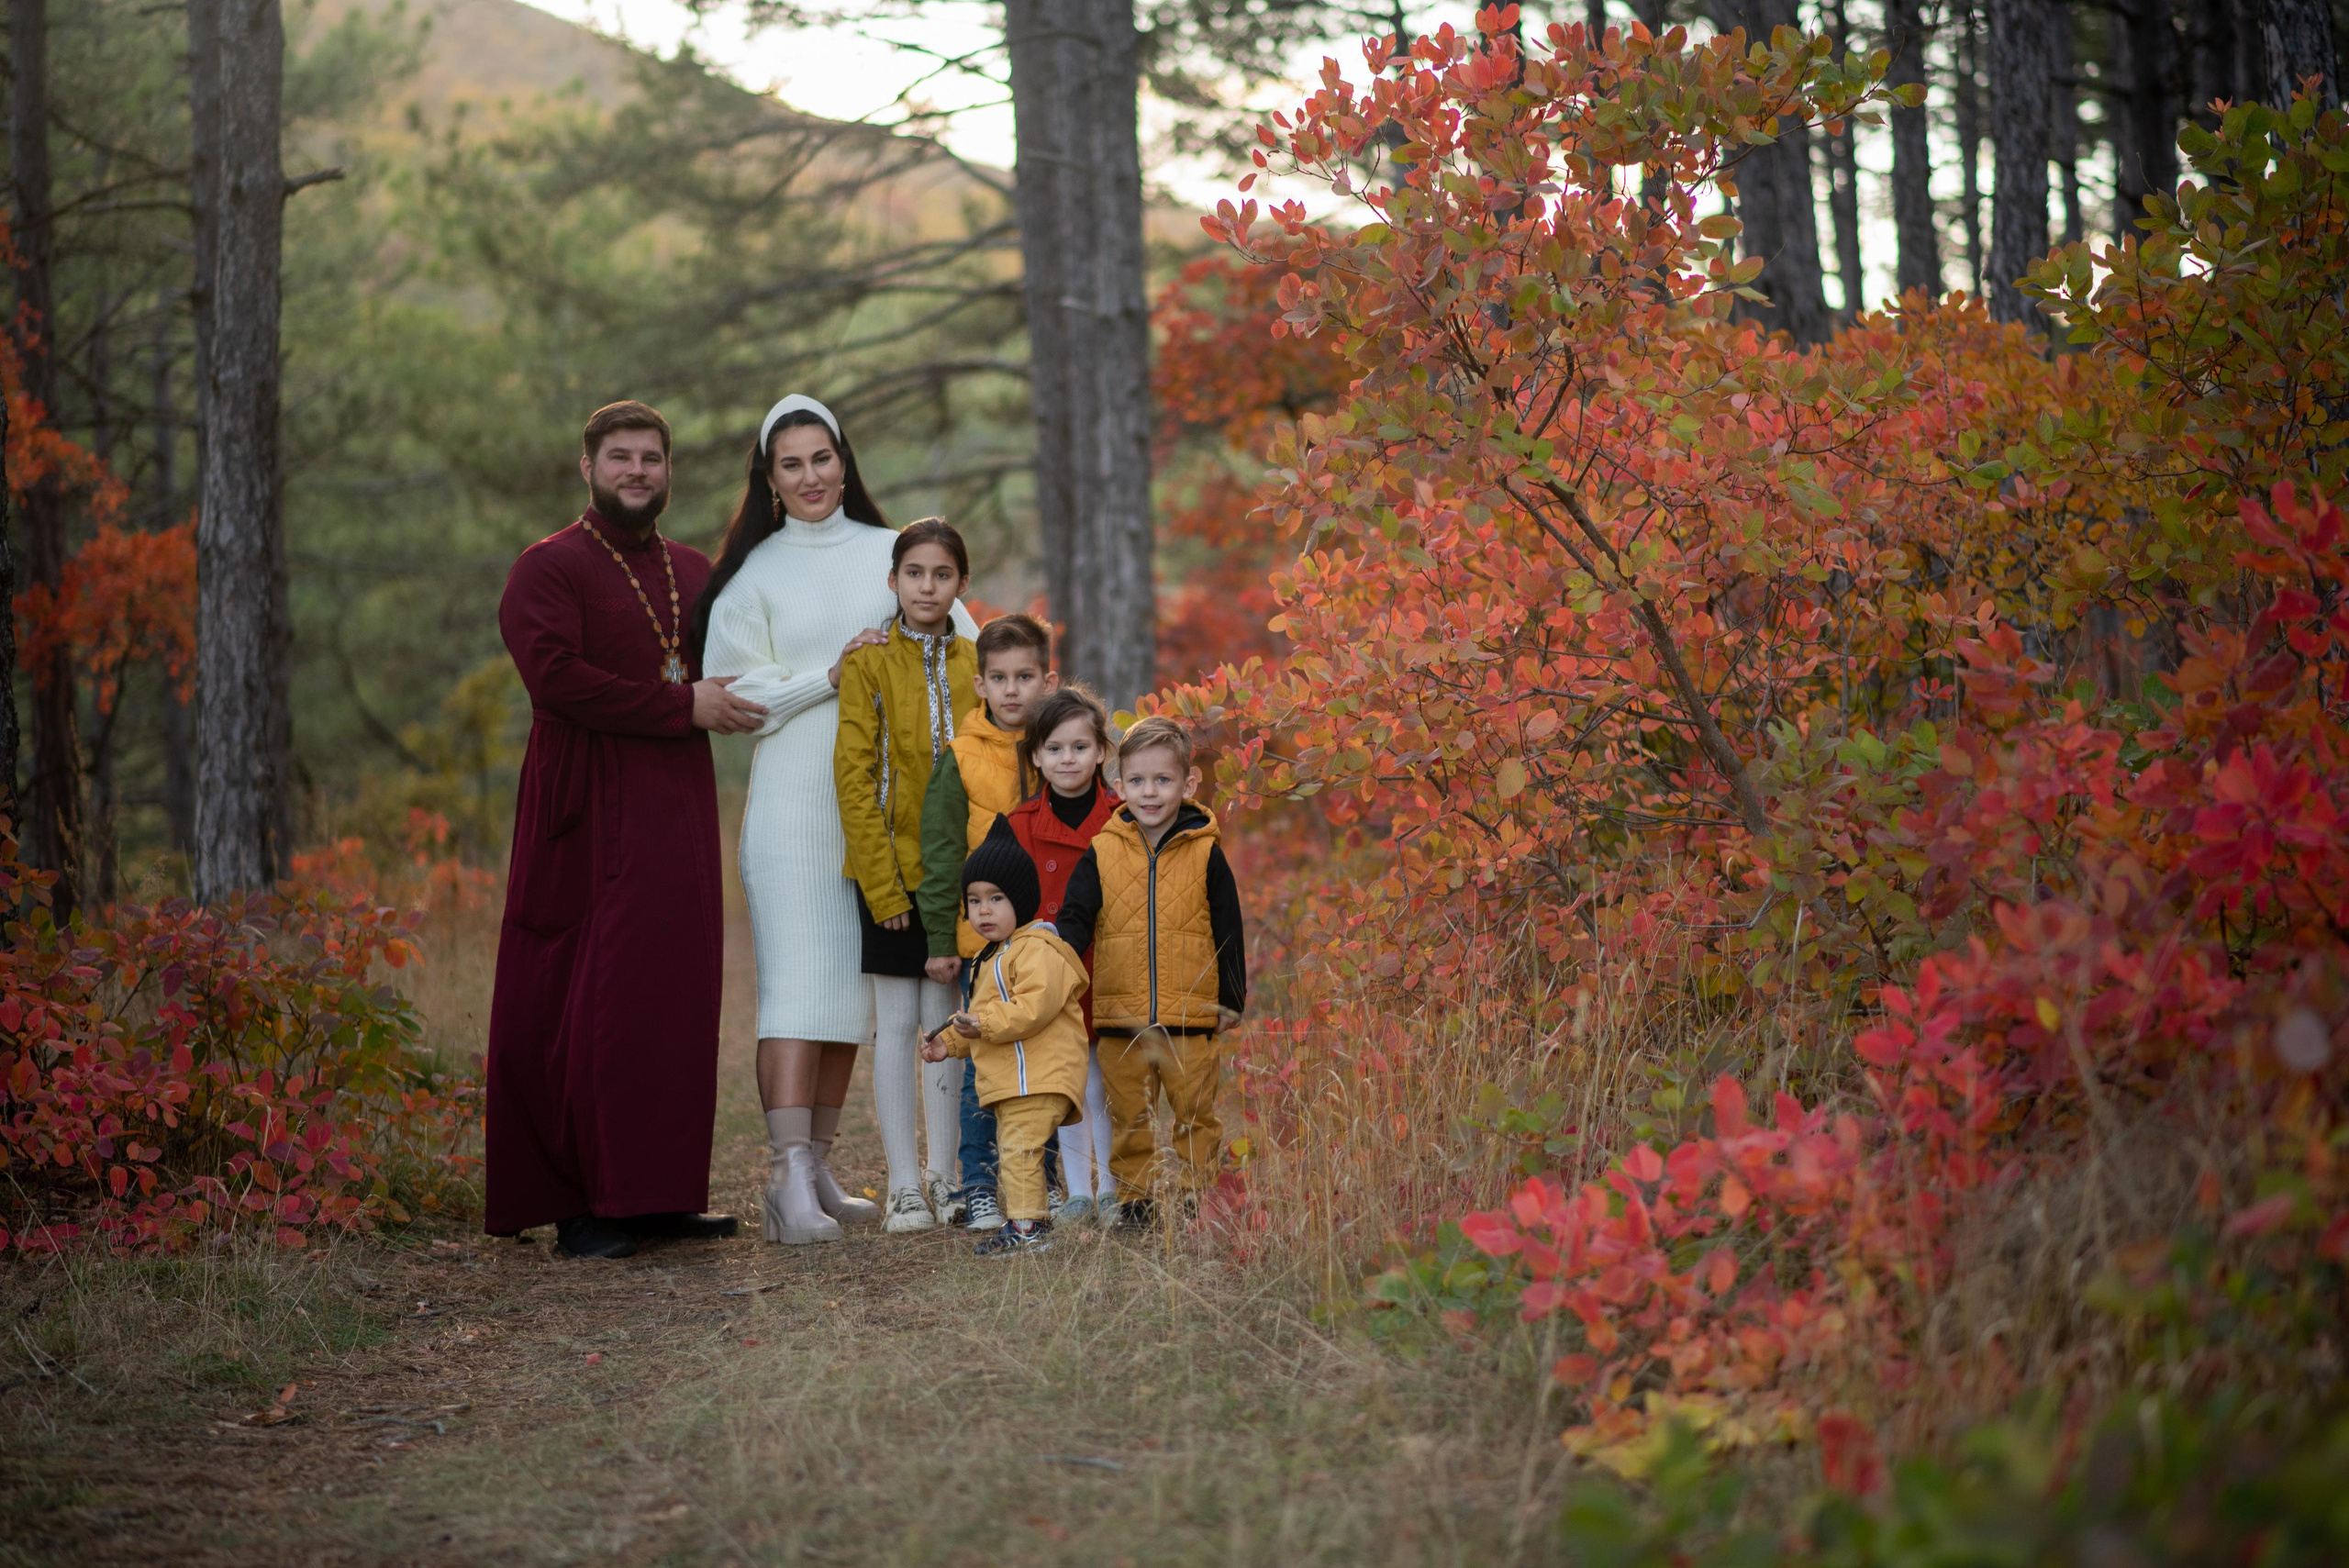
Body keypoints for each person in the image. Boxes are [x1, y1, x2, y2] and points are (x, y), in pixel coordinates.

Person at [692, 395, 978, 1246]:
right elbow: (734, 698)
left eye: (823, 458)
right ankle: (784, 1180)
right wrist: (833, 670)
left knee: (852, 996)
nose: (811, 476)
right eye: (792, 464)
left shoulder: (893, 556)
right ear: (770, 479)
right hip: (793, 812)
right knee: (796, 988)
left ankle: (819, 1165)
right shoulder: (755, 576)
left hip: (889, 825)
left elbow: (970, 655)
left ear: (844, 460)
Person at [485, 400, 765, 1260]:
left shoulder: (690, 567)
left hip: (674, 804)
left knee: (670, 996)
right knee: (590, 1000)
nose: (638, 471)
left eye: (651, 458)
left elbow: (754, 647)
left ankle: (657, 1195)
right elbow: (557, 681)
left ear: (668, 471)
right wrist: (684, 705)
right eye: (621, 458)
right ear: (588, 467)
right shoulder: (549, 568)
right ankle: (588, 1204)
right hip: (582, 806)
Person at [831, 518, 975, 1234]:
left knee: (946, 1023)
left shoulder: (976, 663)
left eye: (941, 574)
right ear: (894, 580)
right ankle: (902, 1187)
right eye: (914, 572)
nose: (927, 585)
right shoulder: (868, 661)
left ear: (960, 585)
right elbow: (853, 779)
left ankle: (947, 1178)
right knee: (894, 1024)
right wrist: (882, 887)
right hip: (888, 872)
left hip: (957, 877)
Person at [1052, 716, 1248, 1229]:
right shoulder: (1103, 850)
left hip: (1191, 1016)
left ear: (1187, 784)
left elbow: (1228, 927)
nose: (1150, 792)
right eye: (1137, 781)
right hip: (1122, 1016)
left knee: (1194, 1114)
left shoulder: (1206, 852)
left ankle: (1193, 1200)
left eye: (1162, 780)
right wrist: (1055, 963)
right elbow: (1076, 920)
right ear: (1119, 786)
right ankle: (1136, 1204)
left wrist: (1232, 997)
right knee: (1129, 1119)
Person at [915, 613, 1059, 1232]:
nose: (1011, 690)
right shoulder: (963, 756)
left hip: (1048, 945)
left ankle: (1044, 1181)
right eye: (998, 677)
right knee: (983, 1073)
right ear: (980, 685)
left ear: (1045, 680)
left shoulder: (1061, 747)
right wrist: (944, 939)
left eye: (1024, 676)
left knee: (1046, 1065)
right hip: (984, 948)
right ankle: (977, 1185)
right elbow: (942, 850)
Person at [920, 818, 1090, 1257]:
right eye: (974, 901)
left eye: (996, 898)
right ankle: (1031, 1222)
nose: (984, 910)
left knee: (1019, 1149)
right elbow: (978, 1021)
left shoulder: (1037, 949)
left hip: (1040, 1074)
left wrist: (983, 1024)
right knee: (1018, 1150)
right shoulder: (986, 958)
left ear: (1021, 900)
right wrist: (951, 1043)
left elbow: (1032, 1009)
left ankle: (1027, 1228)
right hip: (1015, 1078)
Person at [1005, 685, 1120, 1222]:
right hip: (1051, 974)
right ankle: (1078, 1191)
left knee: (1108, 1082)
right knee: (1069, 1081)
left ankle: (1115, 1186)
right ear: (1035, 756)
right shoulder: (1018, 824)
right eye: (1054, 748)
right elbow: (997, 891)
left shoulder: (1125, 816)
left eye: (1079, 747)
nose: (1067, 759)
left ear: (1101, 751)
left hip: (1112, 965)